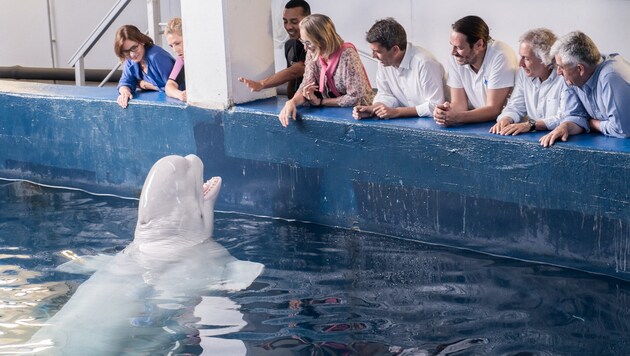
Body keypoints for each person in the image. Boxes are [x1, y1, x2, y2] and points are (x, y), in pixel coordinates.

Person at [278, 14, 374, 127]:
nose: (305, 47)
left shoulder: (347, 54)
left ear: (323, 39)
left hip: (361, 115)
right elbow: (306, 84)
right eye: (303, 42)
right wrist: (292, 102)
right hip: (335, 113)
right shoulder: (312, 52)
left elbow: (355, 98)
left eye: (308, 43)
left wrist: (321, 102)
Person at [540, 31, 630, 146]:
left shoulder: (611, 77)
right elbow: (575, 116)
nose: (558, 72)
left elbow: (622, 130)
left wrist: (592, 124)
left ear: (580, 69)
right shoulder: (572, 77)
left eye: (561, 67)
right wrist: (565, 126)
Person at [352, 18, 446, 120]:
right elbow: (386, 94)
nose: (373, 56)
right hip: (410, 122)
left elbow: (436, 106)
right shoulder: (384, 62)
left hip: (437, 123)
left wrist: (397, 112)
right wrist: (373, 109)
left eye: (377, 51)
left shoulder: (424, 62)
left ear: (395, 50)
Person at [433, 15, 517, 127]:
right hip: (479, 122)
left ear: (479, 45)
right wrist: (445, 112)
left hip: (505, 123)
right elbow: (459, 104)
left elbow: (493, 109)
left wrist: (457, 117)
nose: (453, 52)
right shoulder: (456, 57)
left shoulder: (500, 56)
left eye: (459, 47)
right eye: (452, 46)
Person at [489, 28, 568, 135]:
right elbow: (515, 106)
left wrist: (530, 125)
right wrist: (506, 119)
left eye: (526, 58)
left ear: (545, 60)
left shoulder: (565, 77)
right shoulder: (524, 73)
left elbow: (565, 117)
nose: (520, 64)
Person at [238, 0, 310, 98]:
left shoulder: (317, 44)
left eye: (294, 22)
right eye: (285, 21)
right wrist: (290, 102)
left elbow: (297, 70)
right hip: (299, 103)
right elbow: (292, 78)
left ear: (308, 19)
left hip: (320, 105)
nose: (288, 27)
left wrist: (262, 84)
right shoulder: (289, 45)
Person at [114, 25, 175, 109]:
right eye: (126, 51)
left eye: (134, 48)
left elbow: (175, 88)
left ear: (141, 41)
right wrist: (125, 92)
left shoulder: (157, 57)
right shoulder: (130, 60)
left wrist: (146, 85)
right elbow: (125, 81)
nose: (132, 54)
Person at [164, 17, 186, 102]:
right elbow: (169, 86)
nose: (175, 50)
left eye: (177, 43)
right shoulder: (182, 59)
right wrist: (180, 94)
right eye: (171, 46)